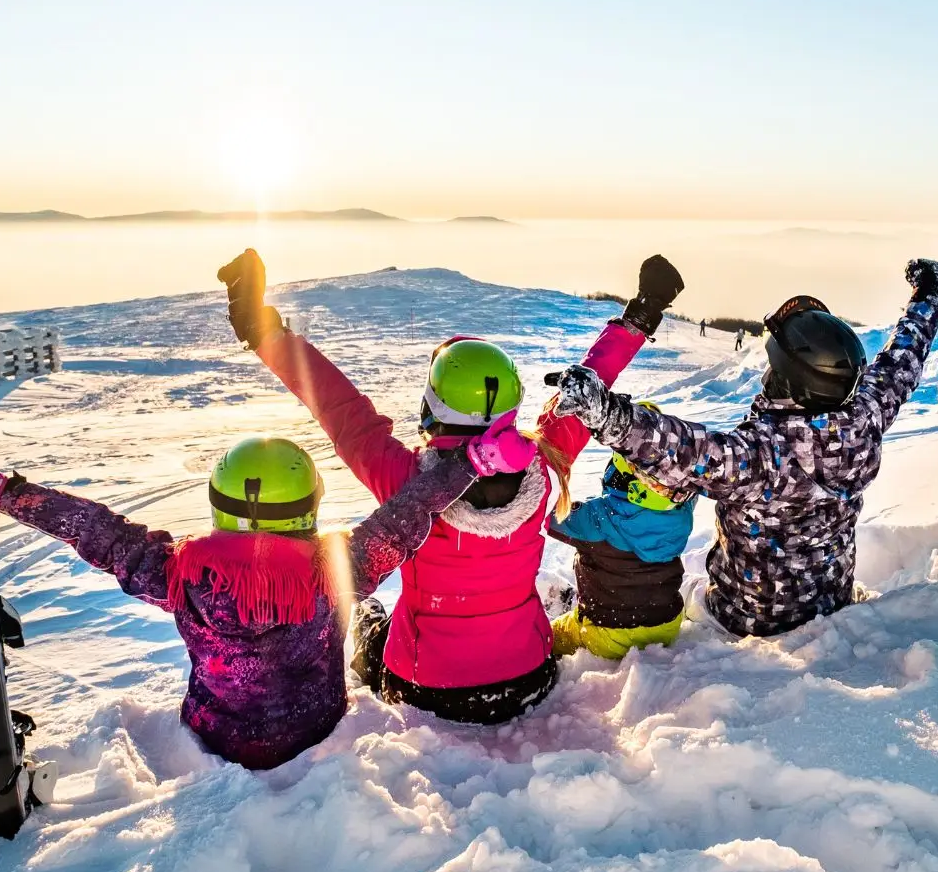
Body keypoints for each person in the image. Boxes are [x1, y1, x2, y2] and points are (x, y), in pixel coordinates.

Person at [218, 248, 684, 723]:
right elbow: (587, 389)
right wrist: (641, 315)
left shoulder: (404, 481)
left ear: (433, 405)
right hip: (528, 676)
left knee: (370, 623)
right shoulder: (543, 465)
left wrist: (263, 331)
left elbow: (340, 408)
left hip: (426, 687)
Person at [0, 418, 536, 770]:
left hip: (218, 739)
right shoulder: (337, 571)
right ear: (308, 507)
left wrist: (4, 493)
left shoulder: (179, 573)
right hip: (316, 731)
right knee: (371, 617)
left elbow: (96, 531)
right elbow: (407, 515)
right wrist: (472, 462)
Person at [549, 258, 938, 638]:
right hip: (831, 600)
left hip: (746, 617)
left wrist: (605, 412)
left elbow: (679, 450)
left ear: (788, 378)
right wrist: (929, 296)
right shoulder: (865, 416)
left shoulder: (761, 456)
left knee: (680, 600)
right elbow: (901, 361)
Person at [547, 401, 696, 660]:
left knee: (550, 636)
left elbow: (547, 515)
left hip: (609, 634)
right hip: (667, 624)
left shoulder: (596, 518)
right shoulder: (681, 511)